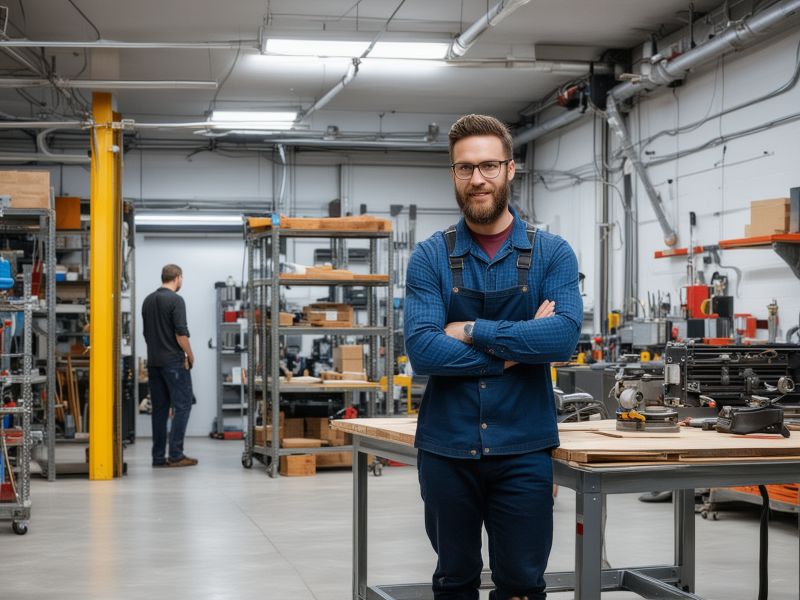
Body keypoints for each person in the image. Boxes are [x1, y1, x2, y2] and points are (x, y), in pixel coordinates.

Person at [404, 114, 583, 600]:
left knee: (523, 584)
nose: (477, 179)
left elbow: (562, 339)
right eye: (465, 168)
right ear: (453, 174)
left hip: (524, 448)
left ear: (510, 169)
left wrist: (470, 330)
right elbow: (422, 349)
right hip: (447, 447)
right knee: (454, 580)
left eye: (488, 166)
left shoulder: (552, 254)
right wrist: (514, 351)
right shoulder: (429, 257)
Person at [141, 264, 198, 468]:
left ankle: (158, 457)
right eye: (181, 278)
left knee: (159, 410)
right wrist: (190, 355)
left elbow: (146, 334)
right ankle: (175, 454)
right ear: (178, 278)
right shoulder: (176, 300)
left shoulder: (148, 300)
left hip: (154, 362)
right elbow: (181, 333)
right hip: (173, 362)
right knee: (183, 405)